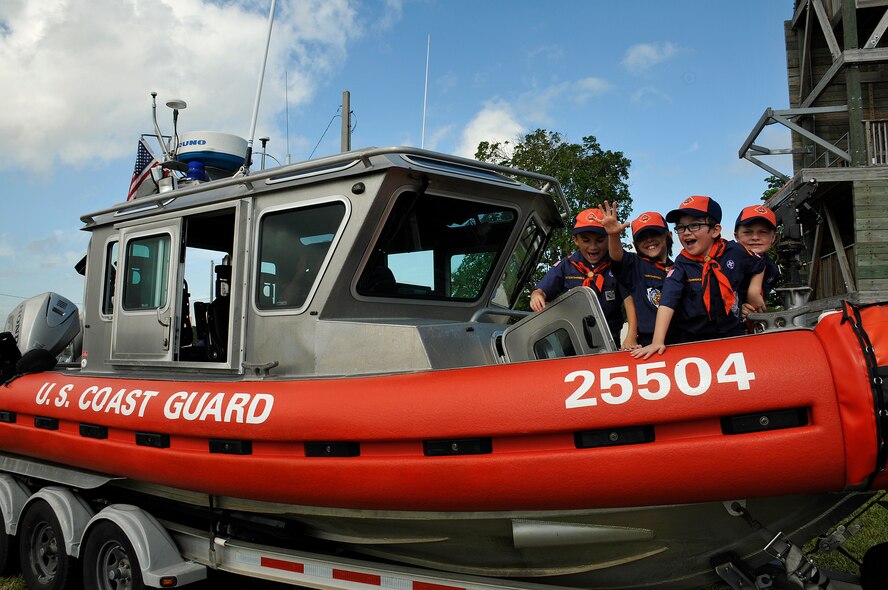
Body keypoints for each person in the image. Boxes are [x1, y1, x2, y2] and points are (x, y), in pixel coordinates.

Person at [631, 195, 766, 360]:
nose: (686, 233)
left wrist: (754, 289)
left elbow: (759, 263)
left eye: (694, 225)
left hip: (732, 335)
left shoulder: (735, 251)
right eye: (681, 227)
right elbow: (667, 300)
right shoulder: (681, 264)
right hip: (694, 340)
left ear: (715, 230)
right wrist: (657, 341)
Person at [530, 208, 635, 348]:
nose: (593, 247)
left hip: (609, 337)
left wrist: (631, 336)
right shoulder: (566, 265)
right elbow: (541, 290)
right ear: (576, 240)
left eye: (600, 240)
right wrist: (537, 296)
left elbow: (630, 300)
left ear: (608, 237)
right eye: (586, 240)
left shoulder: (616, 264)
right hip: (571, 340)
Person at [599, 202, 678, 347]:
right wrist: (613, 236)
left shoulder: (680, 268)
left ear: (669, 236)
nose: (649, 240)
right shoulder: (634, 265)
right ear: (635, 244)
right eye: (642, 237)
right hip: (648, 345)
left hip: (685, 342)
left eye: (655, 233)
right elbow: (617, 257)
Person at [734, 204, 781, 315]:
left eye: (763, 232)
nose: (755, 237)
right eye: (747, 232)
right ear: (736, 237)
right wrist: (738, 307)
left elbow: (758, 302)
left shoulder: (772, 271)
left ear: (773, 237)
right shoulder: (724, 262)